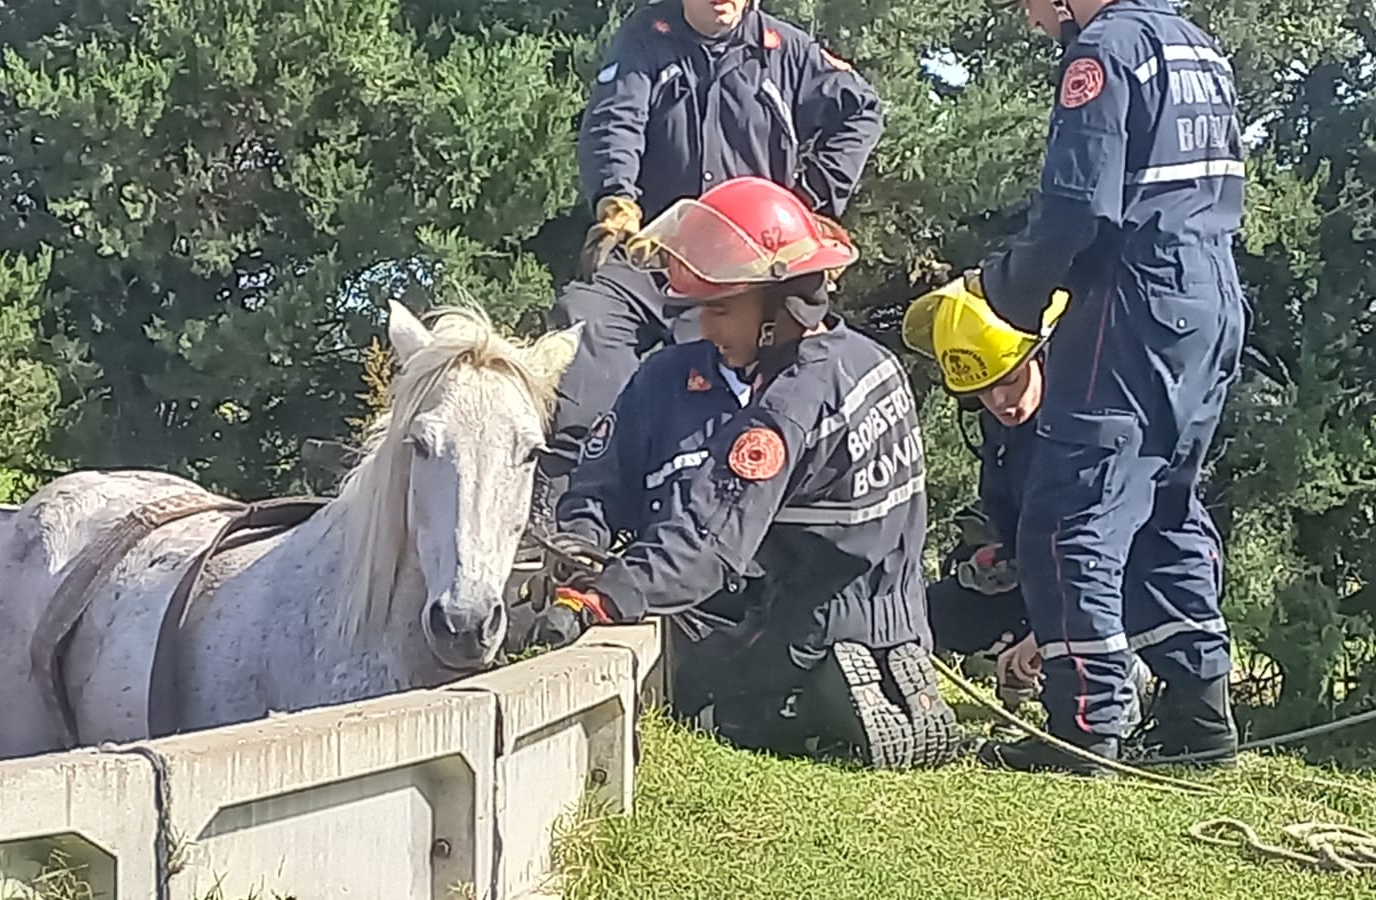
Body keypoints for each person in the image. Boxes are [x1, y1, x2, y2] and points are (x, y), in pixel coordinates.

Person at [520, 176, 965, 771]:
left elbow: (706, 544)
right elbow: (601, 487)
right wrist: (577, 551)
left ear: (782, 304)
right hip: (896, 609)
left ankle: (804, 705)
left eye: (722, 308)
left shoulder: (785, 408)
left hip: (791, 616)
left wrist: (598, 597)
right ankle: (882, 667)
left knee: (696, 691)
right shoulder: (873, 365)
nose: (707, 327)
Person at [947, 0, 1248, 774]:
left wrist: (1006, 288)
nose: (1024, 17)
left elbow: (1078, 206)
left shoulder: (1107, 49)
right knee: (1165, 507)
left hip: (1133, 298)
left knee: (1068, 513)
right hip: (1212, 298)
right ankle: (1199, 715)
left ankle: (1084, 724)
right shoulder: (1195, 47)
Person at [532, 0, 885, 526]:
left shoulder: (786, 51)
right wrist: (616, 202)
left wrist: (807, 206)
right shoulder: (644, 37)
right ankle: (570, 511)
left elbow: (862, 109)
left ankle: (700, 530)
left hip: (744, 274)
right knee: (587, 325)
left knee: (715, 383)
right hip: (652, 253)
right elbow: (615, 120)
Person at [900, 278, 1153, 732]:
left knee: (1075, 628)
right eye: (983, 390)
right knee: (928, 611)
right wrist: (993, 561)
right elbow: (1009, 516)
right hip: (1036, 584)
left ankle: (1119, 683)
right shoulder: (1001, 432)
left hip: (1110, 591)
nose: (1000, 401)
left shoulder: (1083, 429)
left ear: (1041, 357)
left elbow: (1103, 554)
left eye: (1011, 381)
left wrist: (1043, 637)